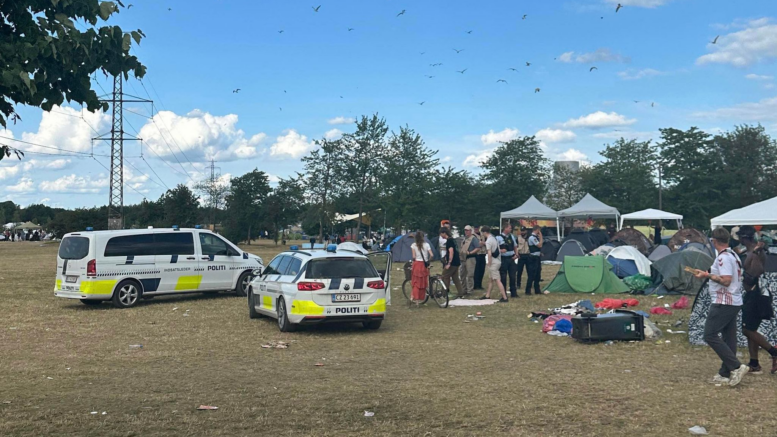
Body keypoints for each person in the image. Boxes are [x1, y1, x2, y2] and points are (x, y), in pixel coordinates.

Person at [692, 227, 750, 387]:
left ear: (714, 241)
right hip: (734, 301)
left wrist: (707, 275)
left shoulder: (723, 258)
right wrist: (706, 273)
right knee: (729, 337)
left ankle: (736, 367)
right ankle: (725, 372)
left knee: (709, 334)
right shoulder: (733, 255)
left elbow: (726, 280)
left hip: (723, 301)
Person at [738, 226, 777, 374]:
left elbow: (756, 271)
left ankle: (774, 352)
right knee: (751, 328)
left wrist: (753, 253)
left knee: (747, 329)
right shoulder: (750, 251)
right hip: (753, 294)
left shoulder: (757, 252)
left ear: (744, 238)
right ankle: (754, 363)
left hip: (757, 295)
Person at [481, 226, 508, 303]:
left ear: (484, 232)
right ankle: (487, 295)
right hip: (498, 260)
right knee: (491, 279)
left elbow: (489, 253)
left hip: (493, 262)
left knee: (497, 280)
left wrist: (489, 263)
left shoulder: (488, 241)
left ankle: (504, 297)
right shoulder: (494, 238)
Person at [439, 227, 464, 297]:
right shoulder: (453, 240)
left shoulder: (449, 241)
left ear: (444, 233)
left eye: (441, 234)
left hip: (452, 263)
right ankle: (461, 292)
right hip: (457, 261)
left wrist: (449, 263)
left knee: (444, 276)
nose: (441, 235)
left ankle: (444, 293)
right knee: (455, 278)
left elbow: (451, 252)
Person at [410, 231, 434, 305]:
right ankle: (420, 298)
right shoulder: (427, 245)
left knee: (415, 283)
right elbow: (432, 255)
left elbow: (414, 257)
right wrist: (428, 261)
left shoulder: (413, 245)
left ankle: (416, 300)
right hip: (424, 265)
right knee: (422, 283)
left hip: (417, 264)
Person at [458, 225, 480, 298]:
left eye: (467, 230)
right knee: (462, 274)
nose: (466, 232)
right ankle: (464, 289)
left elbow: (477, 248)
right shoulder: (464, 239)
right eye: (465, 230)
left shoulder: (473, 239)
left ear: (471, 231)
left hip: (470, 258)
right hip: (463, 258)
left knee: (470, 275)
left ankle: (470, 290)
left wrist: (470, 252)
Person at [498, 223, 519, 298]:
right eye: (509, 228)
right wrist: (501, 250)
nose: (511, 229)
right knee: (503, 277)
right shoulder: (498, 237)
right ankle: (504, 293)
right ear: (505, 228)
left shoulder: (511, 236)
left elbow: (515, 246)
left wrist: (516, 254)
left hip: (511, 258)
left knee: (513, 276)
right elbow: (495, 248)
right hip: (503, 258)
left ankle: (514, 292)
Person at [525, 226, 544, 295]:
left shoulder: (536, 237)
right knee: (532, 274)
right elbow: (539, 245)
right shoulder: (532, 238)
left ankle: (537, 290)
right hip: (533, 258)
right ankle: (528, 290)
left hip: (537, 257)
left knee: (538, 274)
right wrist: (541, 237)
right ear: (537, 230)